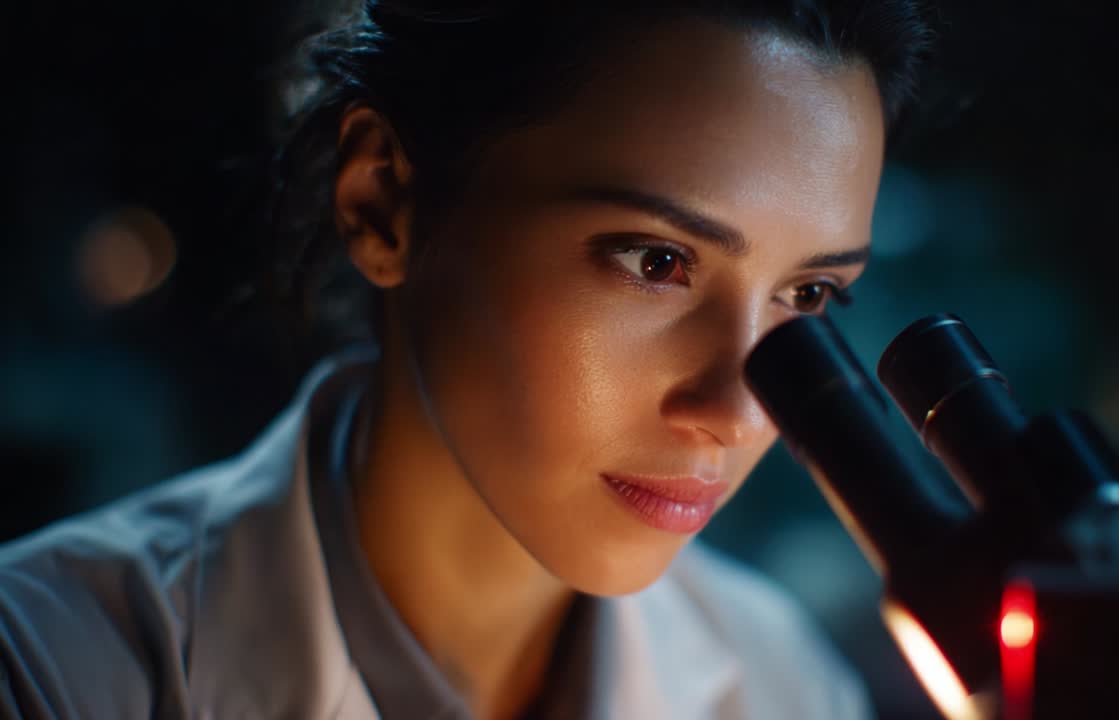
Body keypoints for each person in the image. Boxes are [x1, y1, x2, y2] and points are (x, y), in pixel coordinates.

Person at [0, 1, 931, 717]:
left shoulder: (782, 683)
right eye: (659, 262)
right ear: (384, 204)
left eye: (806, 296)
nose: (739, 411)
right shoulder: (54, 666)